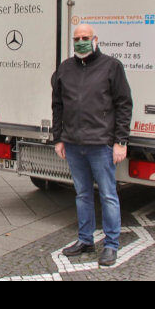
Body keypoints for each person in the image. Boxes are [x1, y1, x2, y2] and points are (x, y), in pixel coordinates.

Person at [51, 23, 132, 267]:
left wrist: (120, 141)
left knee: (108, 195)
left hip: (101, 144)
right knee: (82, 194)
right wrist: (58, 138)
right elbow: (57, 105)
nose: (81, 42)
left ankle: (111, 245)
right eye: (77, 38)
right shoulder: (65, 68)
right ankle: (85, 240)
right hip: (74, 144)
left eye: (85, 37)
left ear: (95, 39)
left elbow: (124, 104)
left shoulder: (111, 66)